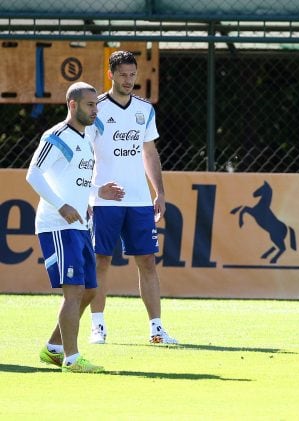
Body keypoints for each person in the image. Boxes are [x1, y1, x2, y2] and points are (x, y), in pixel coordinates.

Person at [28, 82, 125, 372]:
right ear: (73, 105)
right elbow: (33, 175)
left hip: (80, 225)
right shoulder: (56, 136)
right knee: (74, 291)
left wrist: (98, 191)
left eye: (96, 104)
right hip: (58, 224)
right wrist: (61, 205)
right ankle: (71, 359)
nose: (95, 110)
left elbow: (75, 181)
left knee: (89, 291)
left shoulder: (86, 138)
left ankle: (54, 348)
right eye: (90, 105)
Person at [88, 50, 177, 345]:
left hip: (139, 201)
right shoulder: (95, 109)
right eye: (122, 74)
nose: (128, 80)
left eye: (132, 74)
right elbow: (83, 155)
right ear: (110, 74)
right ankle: (97, 326)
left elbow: (149, 152)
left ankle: (156, 328)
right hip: (106, 200)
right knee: (101, 261)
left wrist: (159, 192)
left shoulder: (144, 109)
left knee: (148, 262)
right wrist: (92, 192)